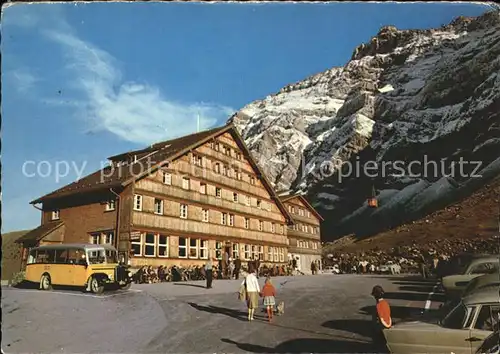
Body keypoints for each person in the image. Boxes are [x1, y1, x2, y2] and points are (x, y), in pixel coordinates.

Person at [371, 285, 391, 353]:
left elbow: (378, 319)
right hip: (388, 324)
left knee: (380, 345)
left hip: (381, 327)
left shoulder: (378, 306)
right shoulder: (386, 303)